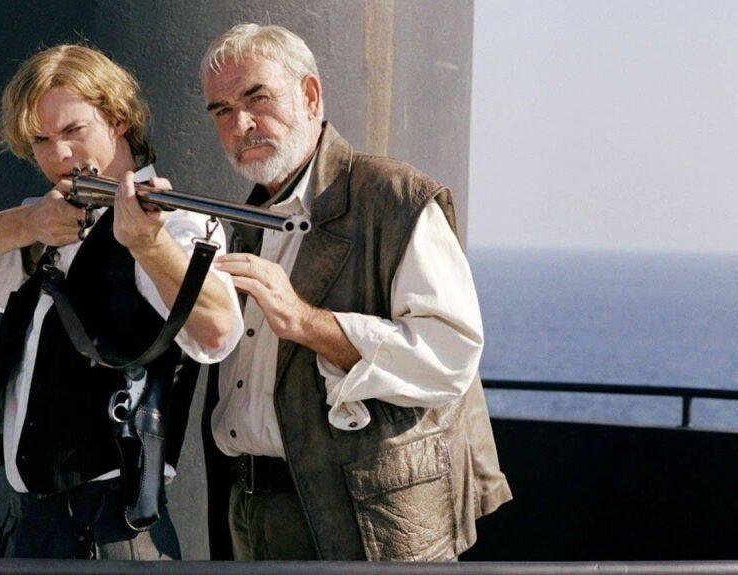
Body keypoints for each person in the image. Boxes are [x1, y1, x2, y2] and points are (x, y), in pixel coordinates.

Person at [0, 44, 241, 560]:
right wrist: (26, 224)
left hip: (114, 530)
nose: (58, 155)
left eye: (73, 131)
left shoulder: (176, 227)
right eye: (40, 140)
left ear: (119, 119)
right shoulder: (44, 223)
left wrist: (149, 245)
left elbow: (218, 332)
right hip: (32, 527)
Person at [199, 24, 513, 561]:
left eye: (257, 98)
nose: (241, 124)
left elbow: (450, 355)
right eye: (222, 111)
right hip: (249, 510)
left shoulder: (394, 198)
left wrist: (305, 321)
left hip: (365, 523)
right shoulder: (244, 219)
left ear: (310, 96)